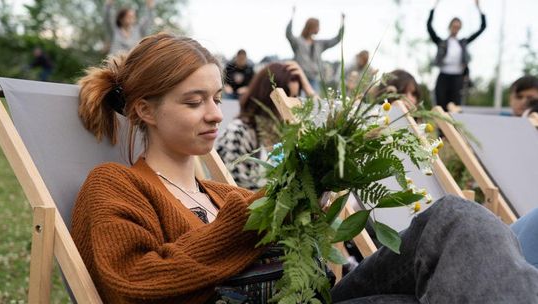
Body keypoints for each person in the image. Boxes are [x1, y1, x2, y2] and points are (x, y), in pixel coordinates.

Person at [73, 32, 538, 303]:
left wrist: (312, 211)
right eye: (194, 102)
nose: (216, 113)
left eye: (217, 98)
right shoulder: (116, 185)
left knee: (454, 218)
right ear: (145, 110)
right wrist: (256, 219)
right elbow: (130, 283)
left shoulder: (224, 196)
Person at [216, 61, 315, 190]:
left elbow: (321, 133)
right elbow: (235, 192)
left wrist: (309, 89)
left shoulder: (287, 133)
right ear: (266, 96)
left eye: (294, 98)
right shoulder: (238, 133)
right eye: (284, 97)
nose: (290, 106)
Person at [427, 0, 486, 110]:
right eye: (454, 26)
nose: (455, 29)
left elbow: (482, 28)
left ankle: (454, 127)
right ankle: (440, 127)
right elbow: (429, 27)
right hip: (443, 76)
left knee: (455, 106)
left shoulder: (463, 43)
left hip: (458, 78)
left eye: (458, 27)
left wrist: (479, 9)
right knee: (440, 104)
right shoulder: (442, 42)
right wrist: (434, 7)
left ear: (460, 28)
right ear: (450, 26)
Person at [286, 6, 345, 90]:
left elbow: (337, 39)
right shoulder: (298, 42)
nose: (319, 28)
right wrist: (292, 16)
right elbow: (288, 34)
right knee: (299, 101)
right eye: (317, 26)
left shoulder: (319, 44)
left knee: (314, 101)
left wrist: (342, 23)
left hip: (314, 78)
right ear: (311, 27)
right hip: (299, 77)